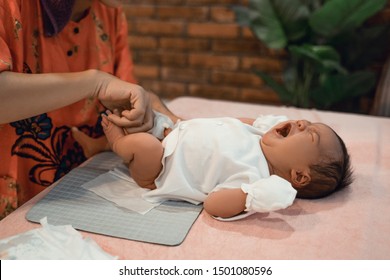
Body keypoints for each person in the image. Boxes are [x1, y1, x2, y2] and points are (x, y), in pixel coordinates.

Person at [0, 0, 177, 219]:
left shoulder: (108, 10)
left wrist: (154, 107)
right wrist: (96, 83)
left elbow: (122, 91)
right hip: (17, 199)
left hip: (80, 188)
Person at [101, 110, 353, 220]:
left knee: (144, 145)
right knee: (145, 119)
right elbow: (227, 122)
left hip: (159, 169)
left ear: (299, 175)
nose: (301, 123)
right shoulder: (258, 135)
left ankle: (115, 144)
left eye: (309, 134)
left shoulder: (255, 178)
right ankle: (96, 145)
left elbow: (213, 205)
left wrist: (249, 197)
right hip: (173, 134)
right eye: (306, 122)